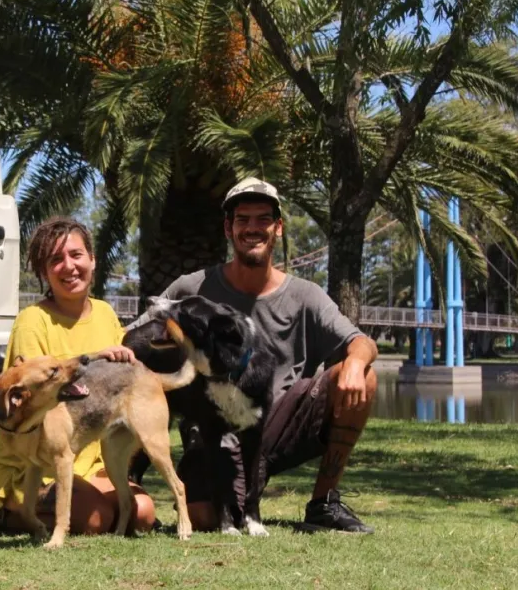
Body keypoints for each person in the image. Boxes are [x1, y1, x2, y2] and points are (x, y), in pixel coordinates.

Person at [128, 177, 379, 534]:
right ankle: (128, 483)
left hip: (281, 422)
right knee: (203, 519)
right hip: (215, 431)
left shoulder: (306, 296)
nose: (253, 228)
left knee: (365, 375)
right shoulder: (192, 289)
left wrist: (354, 362)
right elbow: (136, 337)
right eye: (242, 219)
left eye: (263, 219)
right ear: (228, 228)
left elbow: (363, 343)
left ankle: (324, 504)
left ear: (278, 227)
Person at [0, 216, 157, 536]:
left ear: (92, 259)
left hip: (92, 462)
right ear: (44, 271)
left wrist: (127, 365)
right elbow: (33, 398)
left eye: (76, 255)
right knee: (96, 518)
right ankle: (12, 512)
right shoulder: (32, 321)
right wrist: (91, 361)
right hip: (38, 464)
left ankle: (75, 506)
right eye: (56, 259)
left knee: (143, 514)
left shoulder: (105, 313)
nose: (68, 266)